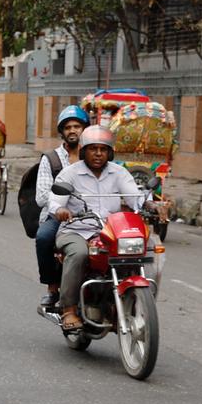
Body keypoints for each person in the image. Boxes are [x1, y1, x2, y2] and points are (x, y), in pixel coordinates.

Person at [47, 125, 146, 331]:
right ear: (84, 151)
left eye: (103, 149)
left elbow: (134, 197)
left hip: (110, 231)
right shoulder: (70, 173)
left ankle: (134, 301)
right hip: (76, 230)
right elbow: (55, 201)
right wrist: (61, 210)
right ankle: (69, 309)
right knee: (79, 253)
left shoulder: (119, 172)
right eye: (93, 149)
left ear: (110, 152)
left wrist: (151, 205)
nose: (98, 153)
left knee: (143, 250)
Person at [32, 105, 89, 308]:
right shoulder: (51, 159)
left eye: (77, 126)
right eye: (68, 127)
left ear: (85, 129)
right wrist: (60, 207)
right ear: (62, 132)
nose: (72, 130)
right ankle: (52, 287)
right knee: (44, 238)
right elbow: (41, 197)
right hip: (58, 215)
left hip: (91, 215)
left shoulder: (94, 155)